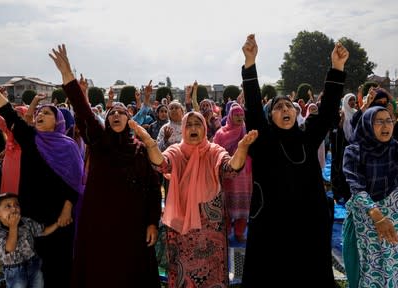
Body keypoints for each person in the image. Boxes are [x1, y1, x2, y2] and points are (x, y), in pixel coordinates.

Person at [240, 34, 349, 287]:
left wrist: (337, 67)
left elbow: (329, 111)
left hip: (307, 228)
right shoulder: (262, 140)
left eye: (288, 106)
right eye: (278, 108)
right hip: (272, 231)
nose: (285, 110)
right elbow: (254, 109)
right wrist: (250, 63)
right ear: (271, 116)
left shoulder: (307, 138)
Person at [49, 44, 162, 288]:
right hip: (100, 224)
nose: (117, 116)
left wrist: (152, 222)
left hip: (132, 226)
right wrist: (67, 75)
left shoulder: (139, 151)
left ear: (128, 119)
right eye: (112, 114)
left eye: (122, 113)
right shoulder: (99, 143)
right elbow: (83, 109)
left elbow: (153, 189)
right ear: (107, 121)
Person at [0, 61, 84, 288]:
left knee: (59, 268)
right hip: (32, 216)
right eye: (38, 112)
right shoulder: (31, 138)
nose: (40, 115)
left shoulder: (68, 147)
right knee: (35, 270)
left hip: (60, 218)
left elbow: (75, 182)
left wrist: (67, 208)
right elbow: (7, 111)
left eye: (47, 113)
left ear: (58, 121)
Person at [130, 109, 258, 287]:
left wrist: (242, 148)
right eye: (188, 125)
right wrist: (150, 144)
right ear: (183, 130)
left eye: (198, 124)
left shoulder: (214, 151)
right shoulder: (176, 151)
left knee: (213, 274)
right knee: (183, 275)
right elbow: (162, 163)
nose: (193, 128)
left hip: (211, 229)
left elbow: (230, 168)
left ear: (205, 128)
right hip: (181, 230)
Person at [342, 106, 398, 288]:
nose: (386, 125)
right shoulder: (354, 152)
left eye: (389, 120)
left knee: (397, 275)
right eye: (379, 121)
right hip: (370, 229)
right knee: (371, 275)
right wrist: (378, 217)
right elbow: (357, 188)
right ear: (367, 124)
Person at [0, 193, 60, 288]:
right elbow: (10, 248)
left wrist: (58, 223)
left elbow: (43, 231)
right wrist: (13, 226)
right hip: (15, 271)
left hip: (34, 264)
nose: (14, 208)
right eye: (8, 206)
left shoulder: (26, 222)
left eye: (17, 205)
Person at [213, 103, 252, 243]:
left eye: (242, 115)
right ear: (230, 116)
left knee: (243, 204)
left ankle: (240, 232)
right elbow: (215, 150)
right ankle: (226, 231)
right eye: (236, 115)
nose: (240, 117)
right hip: (228, 176)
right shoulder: (221, 133)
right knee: (227, 205)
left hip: (244, 175)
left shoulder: (246, 131)